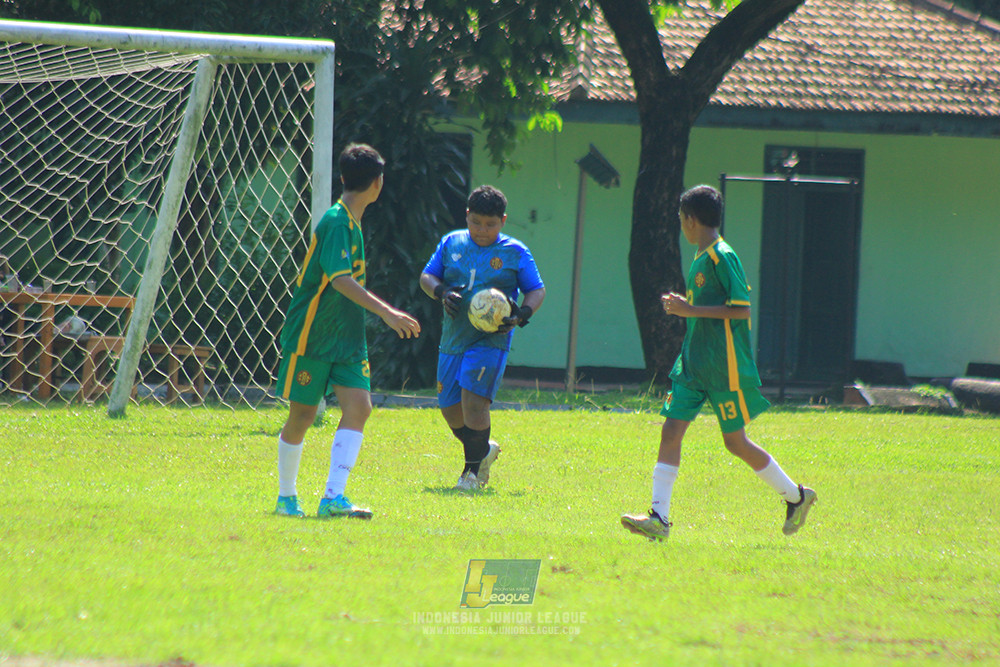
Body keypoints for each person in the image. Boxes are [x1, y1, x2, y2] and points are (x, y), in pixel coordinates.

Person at [621, 184, 816, 541]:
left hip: (723, 368)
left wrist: (690, 309)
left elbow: (741, 310)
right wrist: (686, 306)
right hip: (694, 365)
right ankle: (658, 519)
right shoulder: (701, 256)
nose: (682, 226)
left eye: (682, 220)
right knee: (670, 430)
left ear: (690, 220)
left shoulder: (722, 256)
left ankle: (797, 496)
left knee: (735, 442)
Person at [274, 143, 421, 519]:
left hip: (348, 339)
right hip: (313, 335)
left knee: (359, 407)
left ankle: (333, 498)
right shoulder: (337, 221)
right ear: (378, 183)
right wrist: (388, 312)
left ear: (344, 178)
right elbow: (339, 280)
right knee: (303, 415)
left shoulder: (352, 222)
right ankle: (286, 497)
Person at [419, 185, 545, 491]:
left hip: (491, 341)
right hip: (453, 339)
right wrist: (443, 292)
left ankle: (471, 474)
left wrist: (522, 313)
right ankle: (483, 449)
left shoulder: (515, 252)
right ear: (467, 216)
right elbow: (427, 276)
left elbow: (536, 290)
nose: (482, 230)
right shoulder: (451, 242)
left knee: (474, 403)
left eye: (490, 224)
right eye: (476, 222)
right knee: (450, 408)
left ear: (502, 221)